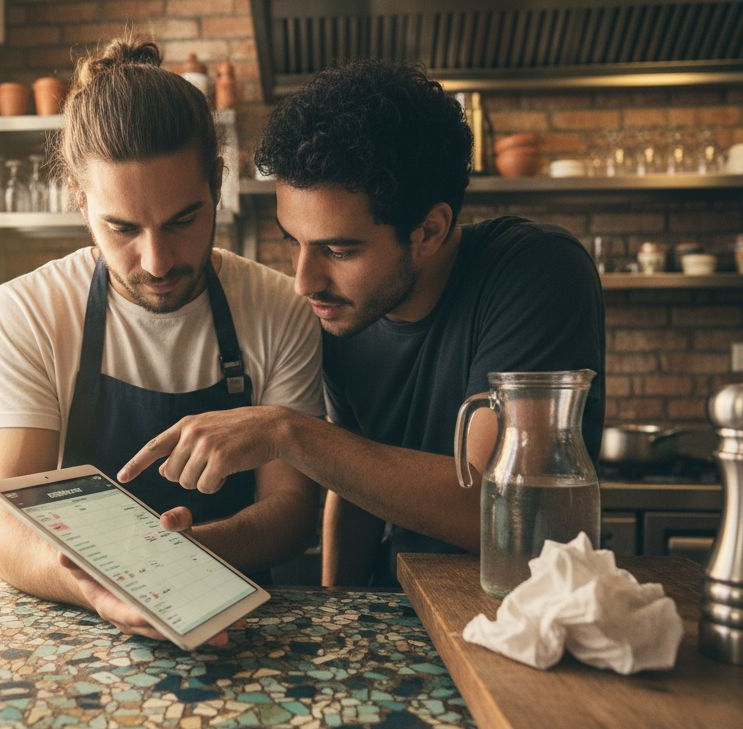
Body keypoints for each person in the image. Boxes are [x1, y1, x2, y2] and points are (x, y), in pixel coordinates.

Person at [120, 59, 605, 587]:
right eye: (294, 241)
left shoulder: (535, 271)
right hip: (398, 611)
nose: (304, 282)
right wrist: (336, 611)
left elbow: (503, 510)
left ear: (429, 231)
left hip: (519, 615)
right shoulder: (346, 315)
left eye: (338, 249)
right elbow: (352, 485)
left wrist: (287, 430)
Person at [0, 38, 323, 640]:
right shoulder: (29, 310)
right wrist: (103, 590)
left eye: (182, 220)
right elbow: (5, 528)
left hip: (243, 625)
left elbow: (291, 509)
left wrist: (190, 555)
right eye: (122, 228)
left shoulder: (277, 307)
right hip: (80, 630)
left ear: (216, 182)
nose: (157, 261)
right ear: (79, 201)